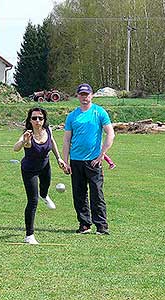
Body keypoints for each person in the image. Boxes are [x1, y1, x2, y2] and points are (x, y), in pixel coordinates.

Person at [62, 83, 115, 235]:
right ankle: (84, 224)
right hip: (76, 161)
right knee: (79, 194)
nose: (84, 97)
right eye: (82, 95)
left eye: (87, 94)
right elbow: (66, 140)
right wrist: (65, 162)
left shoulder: (99, 112)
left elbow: (110, 134)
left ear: (91, 95)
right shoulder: (72, 116)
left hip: (94, 161)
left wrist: (102, 154)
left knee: (96, 193)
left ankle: (101, 226)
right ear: (77, 96)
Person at [14, 107, 65, 244]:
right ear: (30, 120)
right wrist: (24, 141)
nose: (37, 121)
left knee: (45, 188)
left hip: (45, 166)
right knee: (33, 201)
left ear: (44, 120)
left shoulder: (48, 130)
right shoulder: (27, 134)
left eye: (40, 118)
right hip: (29, 170)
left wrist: (59, 158)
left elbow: (52, 142)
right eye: (34, 118)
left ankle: (45, 195)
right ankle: (29, 235)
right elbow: (16, 148)